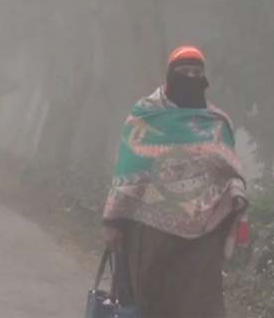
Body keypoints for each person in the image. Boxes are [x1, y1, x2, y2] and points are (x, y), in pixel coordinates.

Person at [101, 46, 249, 318]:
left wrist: (237, 192)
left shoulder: (216, 123)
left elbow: (229, 171)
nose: (191, 77)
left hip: (202, 236)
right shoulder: (145, 116)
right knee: (149, 303)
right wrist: (113, 221)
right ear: (170, 75)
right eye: (184, 71)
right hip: (149, 233)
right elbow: (128, 171)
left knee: (198, 306)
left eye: (197, 72)